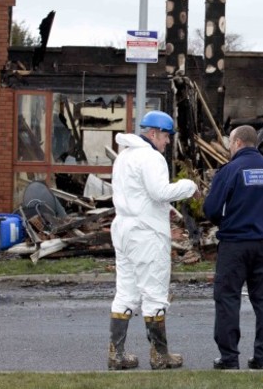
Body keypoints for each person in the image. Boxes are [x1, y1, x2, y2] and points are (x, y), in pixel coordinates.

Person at [108, 110, 198, 370]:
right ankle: (160, 355)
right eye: (166, 136)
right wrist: (188, 186)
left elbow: (138, 194)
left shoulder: (124, 156)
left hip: (123, 229)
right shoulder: (152, 158)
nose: (168, 142)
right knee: (155, 292)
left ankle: (116, 355)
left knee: (125, 292)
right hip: (146, 233)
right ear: (153, 133)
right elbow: (159, 192)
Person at [203, 125, 263, 370]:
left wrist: (227, 222)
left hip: (235, 244)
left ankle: (229, 359)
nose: (229, 147)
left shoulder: (230, 171)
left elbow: (211, 209)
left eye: (230, 142)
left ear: (238, 142)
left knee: (228, 299)